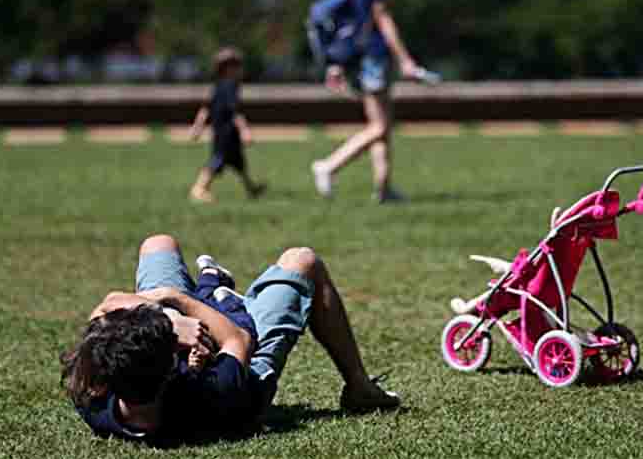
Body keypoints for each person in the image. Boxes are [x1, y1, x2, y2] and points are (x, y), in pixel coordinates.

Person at [61, 234, 400, 444]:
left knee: (158, 244)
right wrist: (177, 303)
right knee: (303, 260)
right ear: (171, 368)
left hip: (172, 347)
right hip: (246, 359)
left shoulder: (93, 395)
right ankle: (359, 388)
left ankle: (206, 284)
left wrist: (167, 322)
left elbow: (105, 309)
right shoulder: (211, 392)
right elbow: (236, 339)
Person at [311, 0, 425, 203]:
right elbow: (382, 19)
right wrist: (405, 59)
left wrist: (336, 65)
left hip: (357, 58)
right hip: (374, 57)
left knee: (380, 125)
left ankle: (383, 188)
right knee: (380, 127)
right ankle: (329, 166)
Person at [189, 48, 264, 203]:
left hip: (224, 132)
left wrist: (197, 127)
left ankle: (251, 188)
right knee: (217, 160)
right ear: (228, 68)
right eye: (237, 66)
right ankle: (199, 188)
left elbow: (205, 109)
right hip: (226, 133)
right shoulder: (230, 86)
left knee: (238, 162)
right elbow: (235, 111)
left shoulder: (219, 86)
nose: (240, 70)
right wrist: (245, 130)